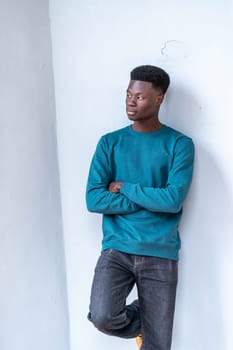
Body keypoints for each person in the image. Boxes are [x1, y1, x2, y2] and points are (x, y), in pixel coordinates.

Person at [86, 65, 194, 350]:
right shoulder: (110, 143)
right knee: (102, 316)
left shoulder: (180, 145)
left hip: (160, 252)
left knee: (157, 345)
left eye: (140, 97)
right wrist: (149, 200)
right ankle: (147, 320)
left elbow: (172, 201)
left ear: (159, 99)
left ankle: (153, 327)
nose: (131, 101)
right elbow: (94, 199)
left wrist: (125, 187)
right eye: (128, 95)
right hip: (117, 249)